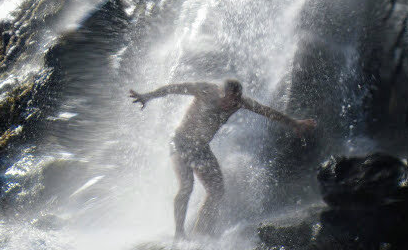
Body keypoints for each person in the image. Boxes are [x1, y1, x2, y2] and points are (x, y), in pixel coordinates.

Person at [129, 78, 316, 238]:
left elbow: (265, 110)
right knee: (186, 186)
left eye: (236, 101)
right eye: (229, 99)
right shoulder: (205, 90)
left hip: (201, 148)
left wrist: (294, 123)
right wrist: (147, 96)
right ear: (220, 92)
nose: (231, 105)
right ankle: (179, 234)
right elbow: (172, 88)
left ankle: (201, 235)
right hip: (180, 142)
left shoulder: (240, 102)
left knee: (217, 191)